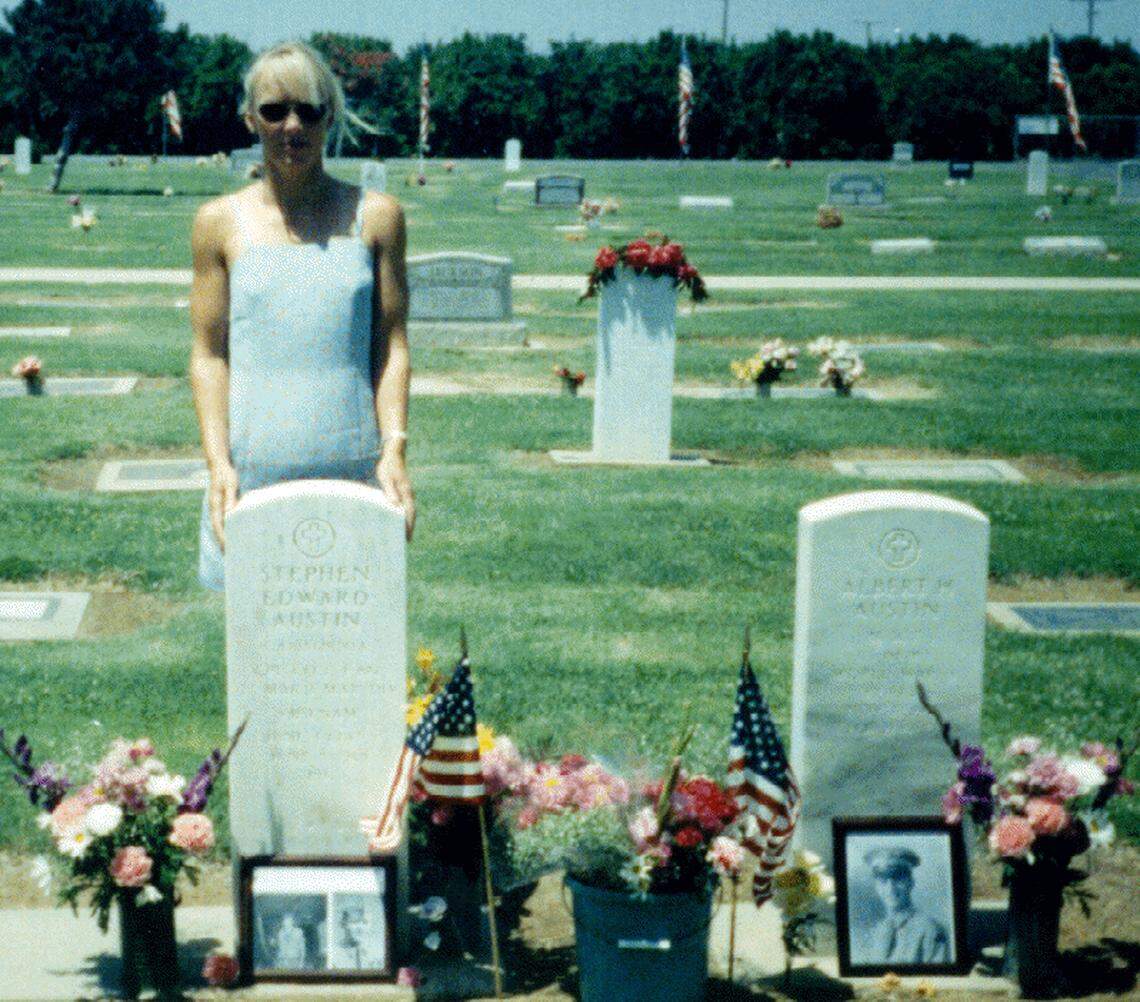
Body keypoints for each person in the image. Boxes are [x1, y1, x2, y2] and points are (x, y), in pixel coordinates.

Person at [190, 41, 414, 590]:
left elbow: (392, 347)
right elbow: (209, 356)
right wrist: (219, 464)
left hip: (355, 473)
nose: (293, 126)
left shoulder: (377, 218)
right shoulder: (218, 223)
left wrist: (395, 450)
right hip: (251, 476)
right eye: (274, 110)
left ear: (329, 117)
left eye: (309, 111)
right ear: (250, 119)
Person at [862, 847, 950, 965]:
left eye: (898, 880)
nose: (891, 889)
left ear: (911, 882)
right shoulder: (876, 932)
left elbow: (937, 980)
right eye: (883, 881)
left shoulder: (930, 931)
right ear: (876, 887)